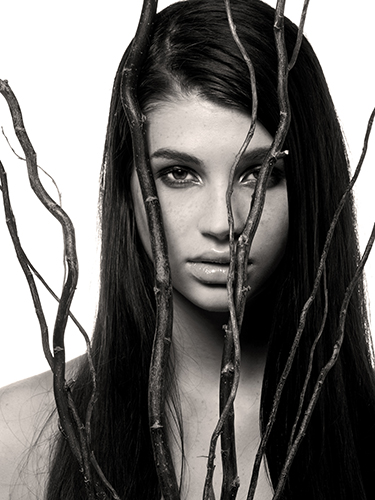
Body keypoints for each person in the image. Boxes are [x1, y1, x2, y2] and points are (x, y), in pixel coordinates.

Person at [1, 0, 375, 498]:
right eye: (179, 174)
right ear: (127, 189)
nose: (224, 224)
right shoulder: (18, 437)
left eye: (260, 176)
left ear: (313, 185)